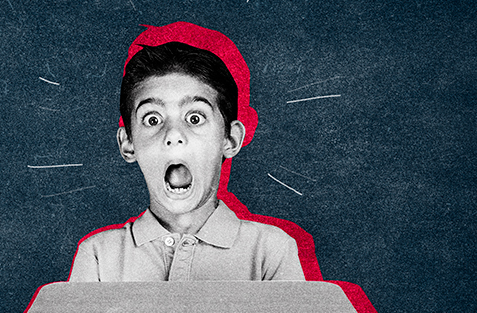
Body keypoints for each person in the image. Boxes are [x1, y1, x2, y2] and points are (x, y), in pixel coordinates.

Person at [68, 22, 317, 282]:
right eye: (153, 120)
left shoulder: (271, 250)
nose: (174, 135)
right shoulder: (98, 255)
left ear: (230, 139)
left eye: (195, 118)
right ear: (128, 143)